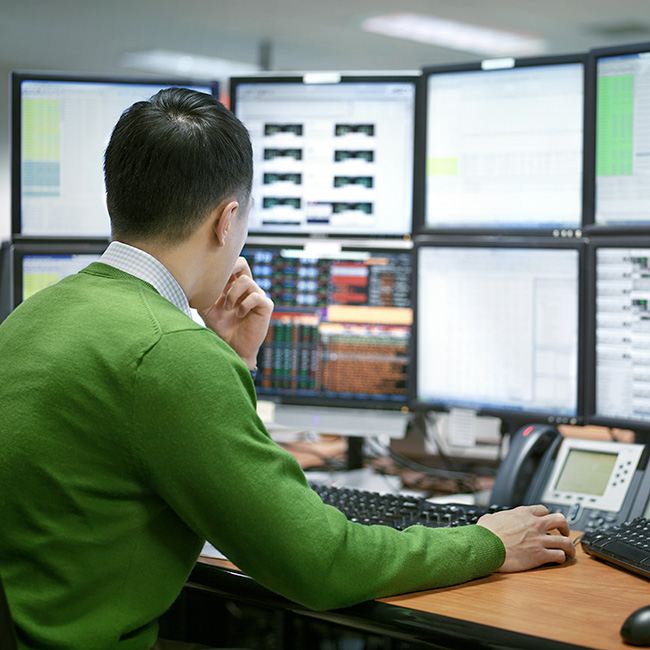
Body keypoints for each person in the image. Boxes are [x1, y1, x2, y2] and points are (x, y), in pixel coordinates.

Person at [0, 88, 576, 650]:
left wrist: (227, 361)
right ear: (227, 221)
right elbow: (320, 564)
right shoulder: (169, 353)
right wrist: (486, 541)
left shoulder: (34, 316)